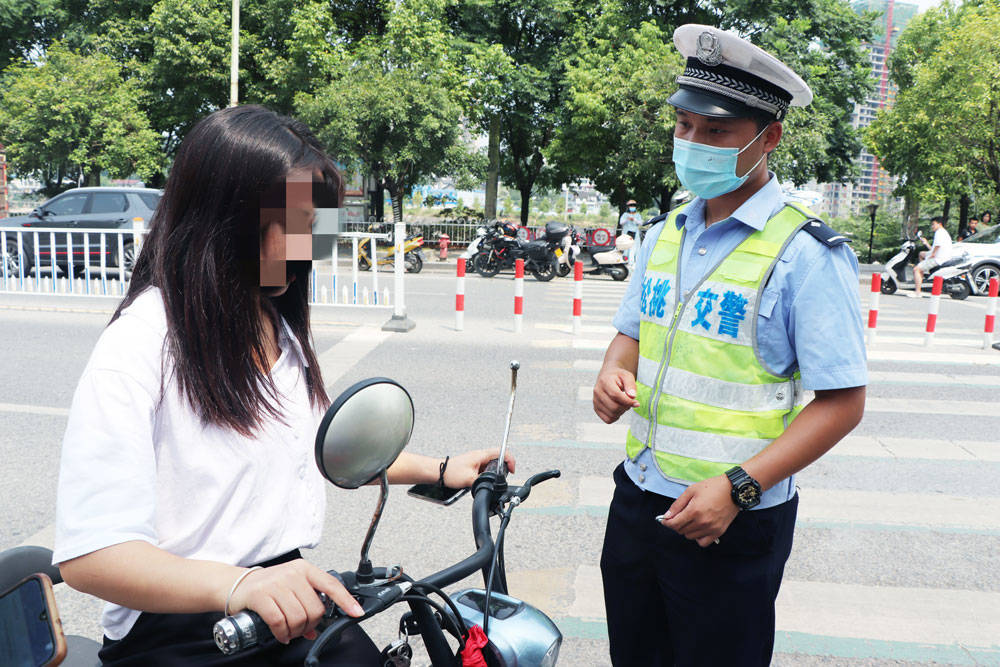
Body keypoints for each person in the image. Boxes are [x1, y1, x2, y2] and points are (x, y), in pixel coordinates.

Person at [52, 105, 513, 666]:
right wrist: (238, 585)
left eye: (316, 226)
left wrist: (441, 470)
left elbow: (316, 444)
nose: (311, 247)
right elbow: (93, 556)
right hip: (180, 627)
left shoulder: (272, 321)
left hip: (284, 596)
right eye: (298, 224)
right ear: (230, 219)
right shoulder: (141, 345)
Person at [592, 25, 867, 666]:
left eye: (715, 132)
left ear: (766, 138)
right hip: (640, 498)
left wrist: (739, 488)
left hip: (732, 517)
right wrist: (611, 376)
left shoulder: (806, 254)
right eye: (685, 127)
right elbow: (630, 336)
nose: (693, 145)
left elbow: (844, 402)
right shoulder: (663, 234)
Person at [913, 216, 953, 297]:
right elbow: (934, 248)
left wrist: (933, 254)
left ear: (939, 224)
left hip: (938, 258)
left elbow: (937, 246)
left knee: (916, 269)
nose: (932, 226)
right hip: (941, 256)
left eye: (933, 224)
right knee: (921, 254)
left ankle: (917, 292)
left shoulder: (939, 232)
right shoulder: (943, 232)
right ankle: (923, 274)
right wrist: (926, 243)